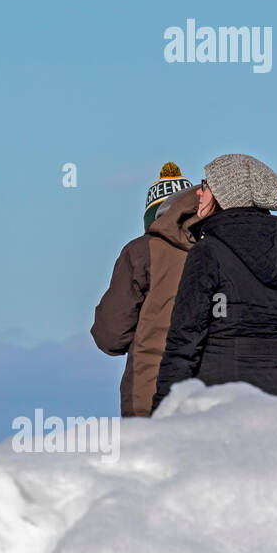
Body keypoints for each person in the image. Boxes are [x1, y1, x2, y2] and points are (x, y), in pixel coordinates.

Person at [153, 154, 277, 410]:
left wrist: (163, 413)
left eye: (205, 185)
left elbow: (183, 343)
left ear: (224, 196)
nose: (198, 193)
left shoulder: (208, 253)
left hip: (218, 407)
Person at [92, 162, 198, 417]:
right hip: (207, 393)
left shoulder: (140, 252)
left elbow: (110, 335)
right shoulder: (218, 247)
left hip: (147, 393)